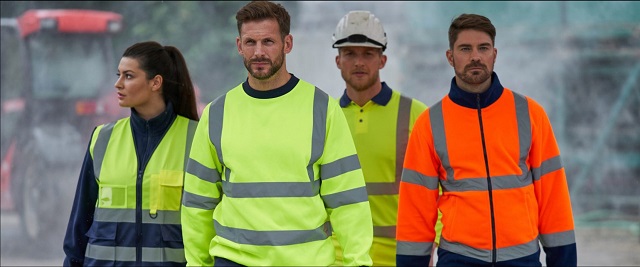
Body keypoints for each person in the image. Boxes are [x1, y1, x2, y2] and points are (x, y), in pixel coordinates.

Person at [180, 1, 373, 266]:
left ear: (288, 43)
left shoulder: (323, 109)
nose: (258, 52)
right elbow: (197, 203)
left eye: (268, 41)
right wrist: (196, 263)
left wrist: (358, 262)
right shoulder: (217, 113)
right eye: (250, 43)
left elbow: (347, 200)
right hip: (234, 260)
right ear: (239, 46)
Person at [395, 13, 577, 266]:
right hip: (459, 259)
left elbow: (553, 199)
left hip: (522, 259)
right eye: (465, 49)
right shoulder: (429, 123)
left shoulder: (530, 113)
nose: (475, 57)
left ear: (494, 54)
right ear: (450, 57)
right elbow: (415, 211)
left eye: (483, 48)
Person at [62, 41, 199, 266]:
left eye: (128, 76)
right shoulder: (102, 138)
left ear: (156, 82)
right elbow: (79, 223)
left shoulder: (195, 138)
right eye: (119, 75)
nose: (117, 84)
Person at [330, 10, 438, 267]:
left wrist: (436, 241)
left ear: (383, 60)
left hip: (401, 255)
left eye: (368, 54)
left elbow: (440, 184)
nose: (359, 62)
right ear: (338, 61)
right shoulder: (325, 117)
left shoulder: (416, 114)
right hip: (339, 256)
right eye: (350, 54)